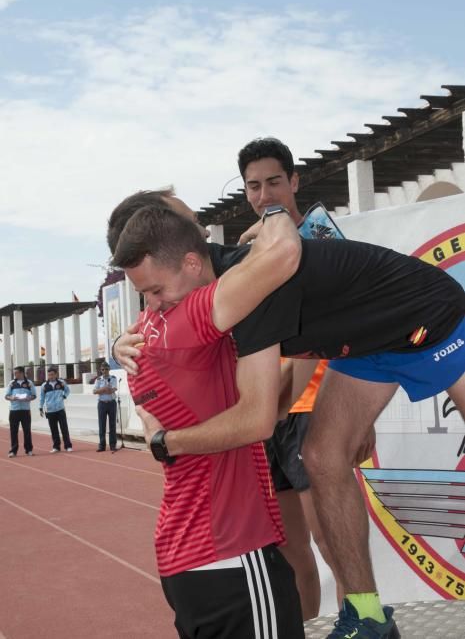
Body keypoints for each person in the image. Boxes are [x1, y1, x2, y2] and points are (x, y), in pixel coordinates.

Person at [112, 190, 465, 639]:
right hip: (368, 348)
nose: (154, 306)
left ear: (192, 263)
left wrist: (169, 441)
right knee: (321, 454)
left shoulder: (250, 282)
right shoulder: (214, 288)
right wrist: (119, 341)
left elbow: (259, 417)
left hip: (433, 316)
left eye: (156, 293)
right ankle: (367, 612)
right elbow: (297, 354)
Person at [113, 202, 305, 638]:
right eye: (149, 293)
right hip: (230, 554)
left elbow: (261, 400)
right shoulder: (189, 317)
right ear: (191, 258)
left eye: (155, 290)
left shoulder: (142, 336)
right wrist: (275, 210)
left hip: (187, 560)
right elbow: (281, 257)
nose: (154, 303)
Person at [237, 137, 347, 614]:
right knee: (288, 550)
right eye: (254, 186)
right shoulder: (247, 254)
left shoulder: (322, 240)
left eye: (274, 182)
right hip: (266, 414)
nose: (265, 196)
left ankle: (359, 623)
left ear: (295, 182)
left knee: (332, 542)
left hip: (313, 409)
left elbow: (347, 330)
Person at [5, 366, 37, 457]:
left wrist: (28, 398)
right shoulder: (11, 383)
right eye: (14, 373)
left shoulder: (29, 383)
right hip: (14, 410)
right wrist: (12, 398)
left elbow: (34, 395)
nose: (15, 375)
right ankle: (13, 451)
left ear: (22, 373)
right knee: (13, 431)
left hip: (25, 410)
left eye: (16, 373)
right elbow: (6, 396)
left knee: (27, 431)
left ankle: (29, 450)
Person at [40, 367, 73, 453]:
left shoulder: (61, 383)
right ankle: (56, 447)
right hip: (50, 411)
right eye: (49, 375)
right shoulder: (44, 386)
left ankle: (68, 446)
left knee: (64, 428)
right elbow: (42, 398)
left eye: (52, 374)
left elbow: (67, 391)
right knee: (53, 429)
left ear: (56, 374)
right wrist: (40, 408)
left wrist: (64, 396)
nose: (50, 376)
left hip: (60, 409)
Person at [93, 363, 118, 452]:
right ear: (101, 370)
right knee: (102, 425)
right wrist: (104, 388)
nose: (104, 371)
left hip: (111, 403)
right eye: (103, 369)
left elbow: (112, 390)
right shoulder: (98, 380)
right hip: (102, 404)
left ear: (109, 369)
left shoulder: (113, 378)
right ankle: (102, 445)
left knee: (112, 425)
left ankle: (112, 445)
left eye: (106, 369)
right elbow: (94, 391)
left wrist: (102, 390)